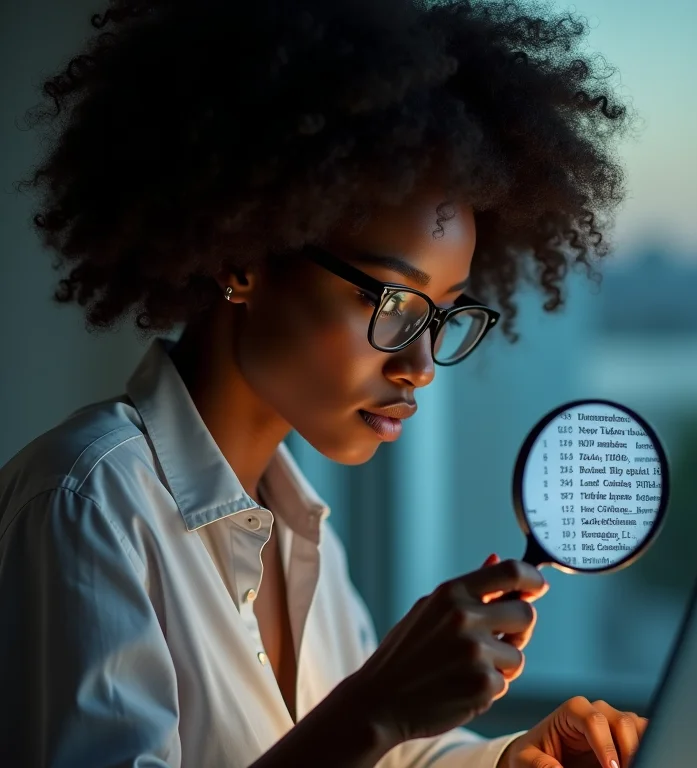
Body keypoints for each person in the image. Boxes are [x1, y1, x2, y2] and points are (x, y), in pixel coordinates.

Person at [0, 0, 647, 766]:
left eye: (443, 314)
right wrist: (375, 709)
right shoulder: (87, 502)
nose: (420, 366)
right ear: (242, 258)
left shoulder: (299, 529)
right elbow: (361, 736)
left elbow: (385, 760)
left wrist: (508, 759)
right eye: (393, 301)